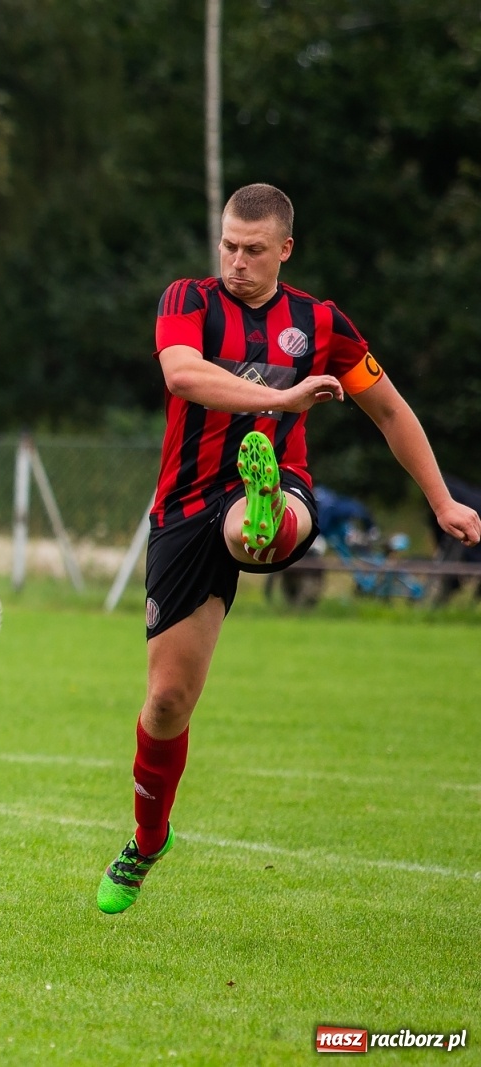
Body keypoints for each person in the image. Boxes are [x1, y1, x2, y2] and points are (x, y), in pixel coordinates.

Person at [95, 184, 481, 914]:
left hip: (273, 491)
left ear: (285, 251)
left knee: (257, 526)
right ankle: (148, 841)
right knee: (168, 700)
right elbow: (181, 374)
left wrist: (443, 502)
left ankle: (267, 504)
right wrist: (282, 399)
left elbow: (390, 408)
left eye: (253, 250)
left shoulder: (319, 322)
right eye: (228, 246)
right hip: (182, 507)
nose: (236, 261)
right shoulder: (188, 300)